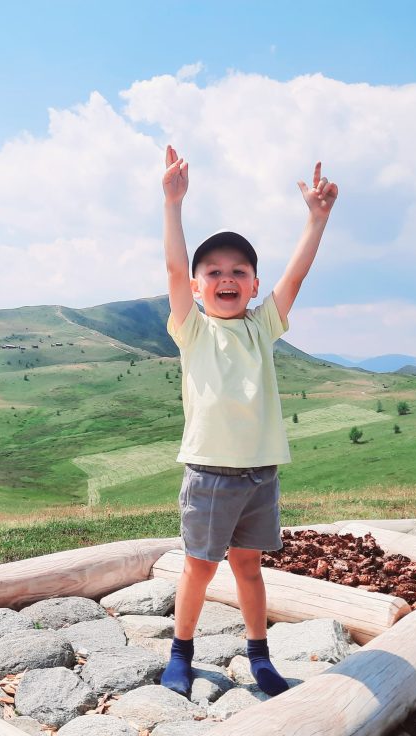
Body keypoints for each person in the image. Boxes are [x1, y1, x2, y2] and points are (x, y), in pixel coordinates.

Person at [159, 144, 339, 698]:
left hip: (260, 474)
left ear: (255, 285)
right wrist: (173, 204)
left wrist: (317, 218)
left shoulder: (263, 327)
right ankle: (180, 653)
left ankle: (259, 655)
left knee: (249, 569)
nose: (227, 277)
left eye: (240, 270)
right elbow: (172, 264)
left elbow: (298, 277)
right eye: (213, 272)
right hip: (210, 474)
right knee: (199, 569)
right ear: (196, 287)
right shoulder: (193, 328)